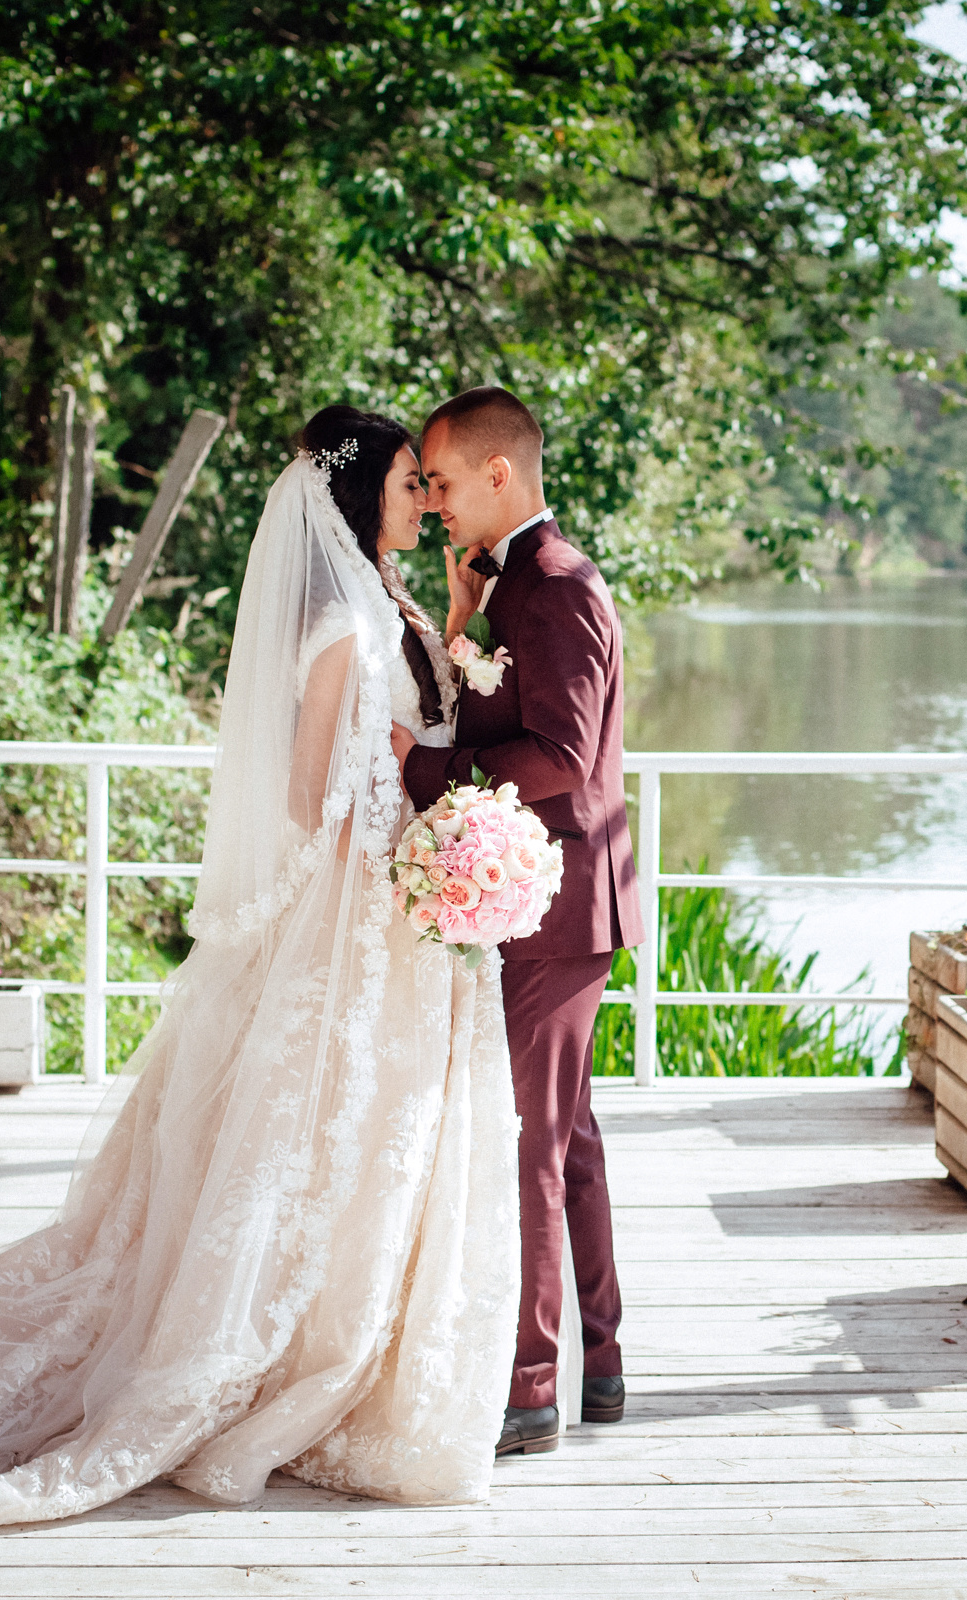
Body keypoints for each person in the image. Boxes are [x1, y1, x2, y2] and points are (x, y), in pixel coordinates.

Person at [0, 406, 521, 1528]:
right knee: (305, 1133)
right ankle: (254, 1360)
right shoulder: (336, 614)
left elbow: (408, 726)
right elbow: (307, 788)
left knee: (352, 1136)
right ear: (354, 492)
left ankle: (346, 1352)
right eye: (400, 480)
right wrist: (403, 839)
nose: (418, 498)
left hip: (388, 908)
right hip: (353, 904)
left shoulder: (386, 594)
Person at [392, 385, 641, 1458]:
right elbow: (514, 707)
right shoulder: (512, 585)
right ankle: (604, 1364)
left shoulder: (557, 585)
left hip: (562, 902)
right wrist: (459, 630)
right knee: (569, 1139)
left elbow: (564, 756)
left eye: (443, 482)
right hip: (551, 900)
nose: (434, 501)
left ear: (502, 475)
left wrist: (430, 773)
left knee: (534, 1139)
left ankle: (529, 1390)